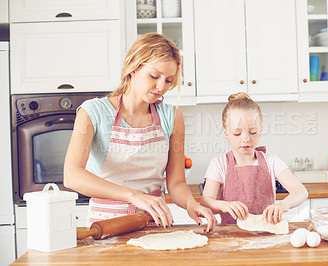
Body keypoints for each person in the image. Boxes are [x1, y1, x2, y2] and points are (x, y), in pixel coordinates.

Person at [64, 33, 217, 232]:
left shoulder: (173, 117)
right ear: (133, 68)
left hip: (153, 222)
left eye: (169, 80)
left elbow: (177, 182)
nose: (161, 87)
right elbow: (72, 175)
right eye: (154, 76)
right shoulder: (93, 112)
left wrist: (191, 204)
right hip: (105, 225)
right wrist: (133, 196)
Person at [200, 92, 308, 224]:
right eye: (237, 133)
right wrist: (225, 206)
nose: (246, 138)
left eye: (253, 132)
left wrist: (284, 205)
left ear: (260, 130)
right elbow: (205, 202)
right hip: (231, 237)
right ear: (226, 133)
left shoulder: (271, 162)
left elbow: (301, 191)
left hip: (267, 237)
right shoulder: (219, 164)